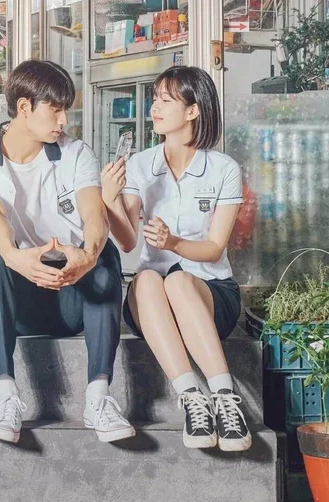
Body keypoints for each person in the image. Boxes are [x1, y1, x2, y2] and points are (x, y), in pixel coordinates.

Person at [0, 60, 135, 444]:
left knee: (105, 254)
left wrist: (86, 255)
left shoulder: (75, 153)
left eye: (66, 110)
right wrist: (17, 258)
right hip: (16, 307)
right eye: (55, 109)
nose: (64, 120)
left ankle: (98, 397)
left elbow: (94, 213)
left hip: (73, 298)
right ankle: (5, 395)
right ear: (24, 107)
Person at [101, 65, 251, 452]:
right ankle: (193, 399)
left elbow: (214, 248)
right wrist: (110, 199)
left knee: (180, 280)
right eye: (154, 99)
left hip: (210, 293)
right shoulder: (140, 165)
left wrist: (174, 243)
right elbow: (127, 241)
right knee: (149, 278)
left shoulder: (223, 169)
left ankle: (226, 399)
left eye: (165, 100)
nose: (154, 107)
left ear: (193, 110)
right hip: (152, 302)